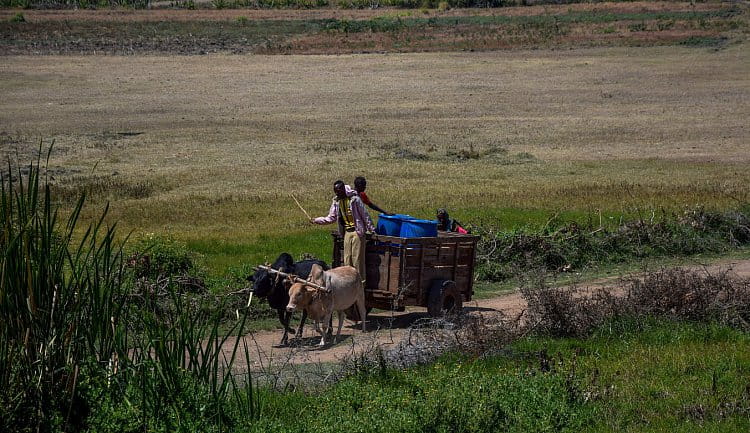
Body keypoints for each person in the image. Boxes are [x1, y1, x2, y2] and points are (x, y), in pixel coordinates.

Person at [311, 180, 375, 284]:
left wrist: (372, 229)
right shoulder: (337, 201)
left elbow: (365, 215)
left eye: (339, 191)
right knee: (347, 261)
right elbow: (331, 218)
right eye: (335, 191)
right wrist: (316, 220)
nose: (337, 193)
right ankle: (349, 284)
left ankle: (360, 284)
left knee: (357, 260)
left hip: (357, 232)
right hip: (347, 233)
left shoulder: (354, 199)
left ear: (344, 190)